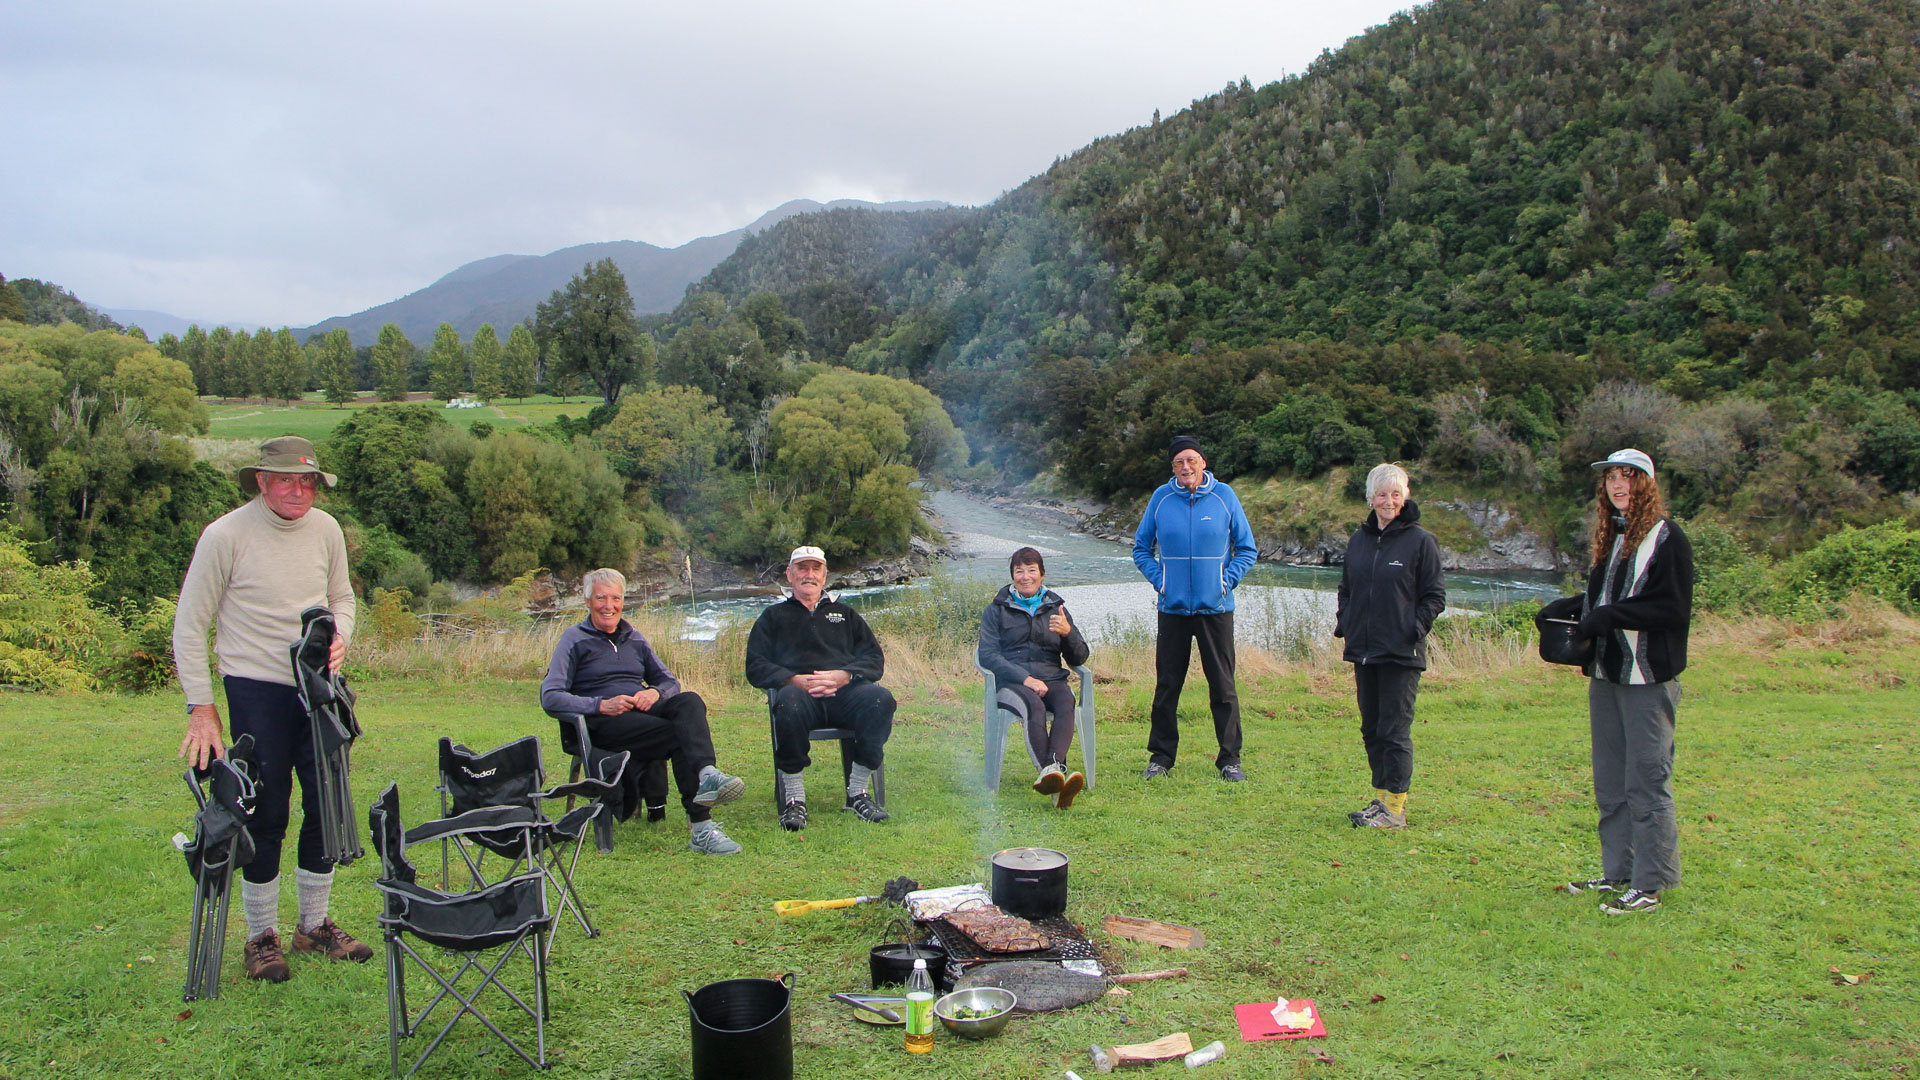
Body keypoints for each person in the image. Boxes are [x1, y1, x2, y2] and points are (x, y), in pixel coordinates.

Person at [173, 436, 368, 983]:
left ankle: (313, 925)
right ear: (260, 480)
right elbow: (190, 623)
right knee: (266, 809)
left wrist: (341, 638)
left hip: (319, 688)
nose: (298, 490)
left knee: (327, 804)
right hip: (254, 687)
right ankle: (261, 936)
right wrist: (202, 708)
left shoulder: (326, 530)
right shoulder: (225, 535)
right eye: (285, 479)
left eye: (307, 480)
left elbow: (343, 598)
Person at [1537, 448, 1694, 915]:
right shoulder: (1615, 536)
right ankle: (1618, 873)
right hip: (1606, 673)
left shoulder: (1668, 538)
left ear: (1645, 484)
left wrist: (1607, 616)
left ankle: (1649, 883)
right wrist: (1568, 609)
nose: (1618, 486)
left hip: (1647, 677)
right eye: (1611, 479)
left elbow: (1671, 608)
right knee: (1610, 781)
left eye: (1628, 478)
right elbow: (1602, 597)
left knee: (1647, 779)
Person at [540, 568, 747, 855]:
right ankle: (701, 827)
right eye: (601, 598)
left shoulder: (634, 637)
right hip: (603, 723)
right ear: (587, 600)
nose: (609, 606)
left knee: (689, 701)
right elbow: (550, 697)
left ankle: (707, 773)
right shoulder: (573, 639)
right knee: (679, 735)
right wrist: (600, 704)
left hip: (641, 714)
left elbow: (669, 681)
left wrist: (655, 692)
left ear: (623, 600)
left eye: (616, 598)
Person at [1131, 435, 1259, 782]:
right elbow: (1141, 549)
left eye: (1191, 460)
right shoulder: (1160, 498)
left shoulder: (1224, 496)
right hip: (1172, 609)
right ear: (1172, 467)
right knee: (1167, 686)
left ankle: (1230, 759)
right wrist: (1161, 581)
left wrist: (1224, 581)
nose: (1185, 467)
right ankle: (1161, 758)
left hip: (1215, 608)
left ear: (1202, 461)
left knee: (1222, 686)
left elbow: (1247, 548)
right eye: (1178, 462)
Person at [746, 545, 893, 830]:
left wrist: (844, 676)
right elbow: (755, 665)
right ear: (789, 575)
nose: (809, 575)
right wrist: (793, 679)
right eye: (802, 568)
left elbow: (874, 659)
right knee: (788, 703)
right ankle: (794, 800)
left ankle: (857, 793)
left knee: (880, 700)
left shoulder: (845, 614)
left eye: (815, 569)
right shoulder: (773, 618)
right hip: (799, 696)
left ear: (824, 576)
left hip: (844, 695)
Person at [1334, 463, 1447, 829]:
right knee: (1372, 728)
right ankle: (1380, 799)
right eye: (1382, 494)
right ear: (1370, 498)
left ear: (1405, 497)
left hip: (1402, 652)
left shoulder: (1421, 542)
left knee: (1394, 731)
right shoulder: (1359, 540)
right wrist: (1346, 623)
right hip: (1364, 650)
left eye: (1396, 494)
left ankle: (1395, 808)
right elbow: (1347, 588)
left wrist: (1412, 629)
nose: (1389, 501)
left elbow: (1435, 597)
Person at [977, 547, 1092, 808]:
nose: (1025, 577)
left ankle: (1053, 774)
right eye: (1019, 571)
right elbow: (988, 656)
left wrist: (1068, 632)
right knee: (1034, 705)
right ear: (1012, 576)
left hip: (1052, 678)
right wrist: (1025, 678)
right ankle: (1055, 773)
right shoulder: (997, 609)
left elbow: (1079, 657)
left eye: (1031, 570)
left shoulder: (1056, 608)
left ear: (1042, 574)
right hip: (1012, 684)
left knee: (1065, 701)